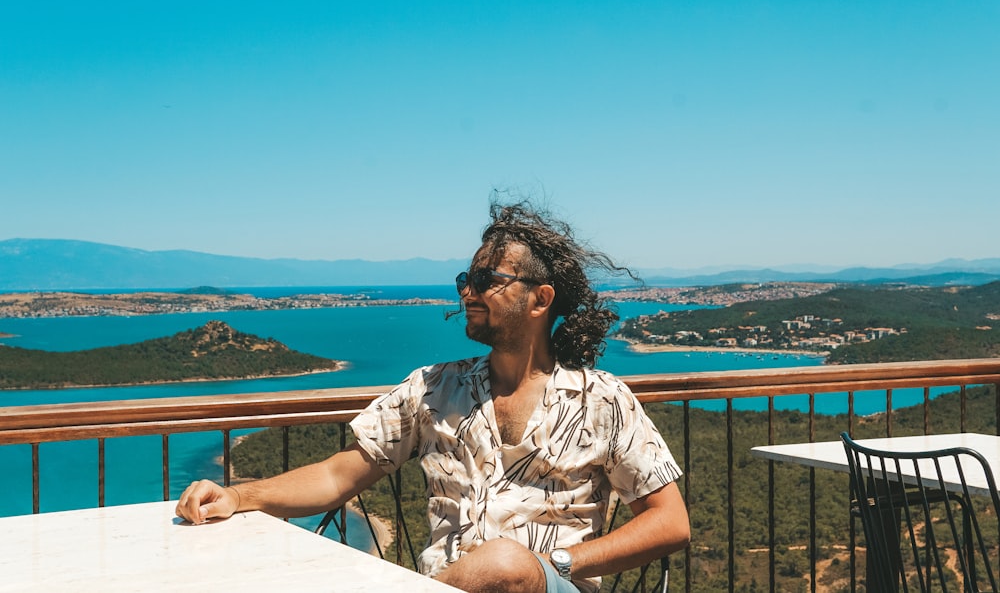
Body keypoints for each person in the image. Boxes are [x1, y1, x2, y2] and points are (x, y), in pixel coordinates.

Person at [175, 201, 690, 593]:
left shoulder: (603, 400)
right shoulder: (433, 389)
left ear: (541, 298)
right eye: (467, 279)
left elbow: (670, 522)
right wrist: (241, 497)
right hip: (448, 585)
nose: (468, 292)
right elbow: (339, 475)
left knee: (506, 563)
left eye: (487, 280)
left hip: (551, 588)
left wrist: (559, 563)